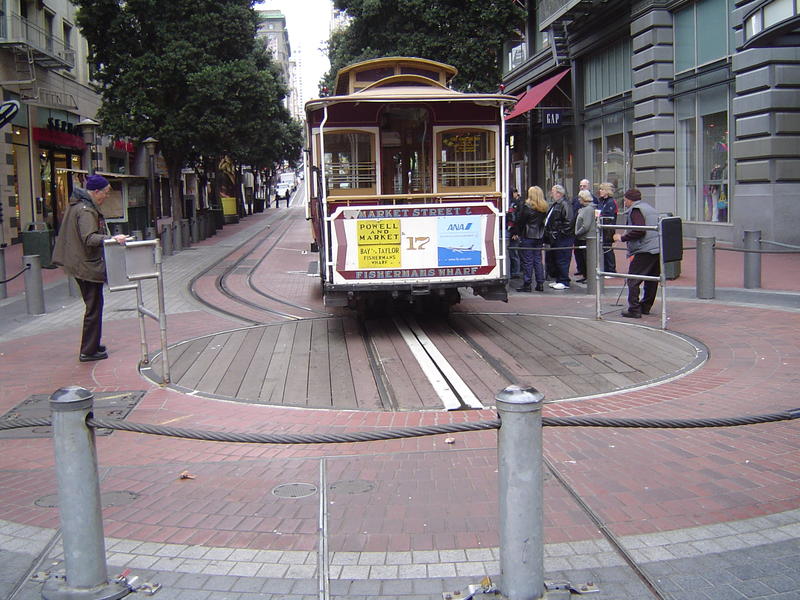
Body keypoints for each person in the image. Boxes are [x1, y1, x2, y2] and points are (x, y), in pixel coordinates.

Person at [52, 174, 128, 361]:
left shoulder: (78, 205)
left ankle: (92, 344)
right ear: (95, 192)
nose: (106, 196)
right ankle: (88, 350)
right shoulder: (86, 210)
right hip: (85, 265)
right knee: (94, 307)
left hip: (80, 262)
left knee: (94, 305)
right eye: (106, 192)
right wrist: (111, 239)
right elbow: (89, 238)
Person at [613, 188, 660, 318]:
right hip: (656, 248)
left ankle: (634, 309)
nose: (624, 202)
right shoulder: (650, 208)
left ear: (628, 199)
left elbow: (640, 230)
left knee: (633, 279)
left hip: (644, 248)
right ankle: (645, 306)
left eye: (625, 200)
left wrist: (622, 238)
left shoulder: (636, 210)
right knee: (651, 279)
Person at [512, 185, 548, 292]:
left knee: (528, 260)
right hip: (539, 235)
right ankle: (540, 283)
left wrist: (517, 232)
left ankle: (527, 283)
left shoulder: (527, 207)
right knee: (537, 259)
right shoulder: (543, 207)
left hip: (528, 235)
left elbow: (520, 221)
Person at [544, 184, 574, 290]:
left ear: (559, 193)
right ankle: (559, 279)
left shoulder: (565, 204)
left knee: (562, 259)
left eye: (553, 191)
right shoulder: (556, 204)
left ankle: (564, 280)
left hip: (562, 238)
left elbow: (569, 221)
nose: (551, 194)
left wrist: (559, 233)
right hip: (555, 236)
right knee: (556, 258)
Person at [573, 190, 597, 284]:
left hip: (585, 237)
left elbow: (586, 225)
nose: (578, 200)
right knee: (583, 258)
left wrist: (577, 232)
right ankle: (586, 275)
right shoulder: (586, 208)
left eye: (580, 198)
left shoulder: (588, 209)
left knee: (586, 258)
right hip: (584, 237)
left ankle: (588, 276)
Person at [597, 182, 618, 274]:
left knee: (607, 248)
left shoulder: (611, 202)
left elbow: (608, 215)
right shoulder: (601, 201)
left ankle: (611, 269)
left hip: (608, 229)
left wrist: (600, 216)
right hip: (601, 227)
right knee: (603, 248)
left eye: (602, 189)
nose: (600, 191)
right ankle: (605, 268)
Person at [506, 189, 523, 279]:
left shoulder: (517, 204)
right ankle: (514, 271)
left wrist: (516, 232)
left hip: (513, 230)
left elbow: (518, 219)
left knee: (514, 252)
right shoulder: (511, 203)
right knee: (512, 252)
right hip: (510, 229)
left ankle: (515, 271)